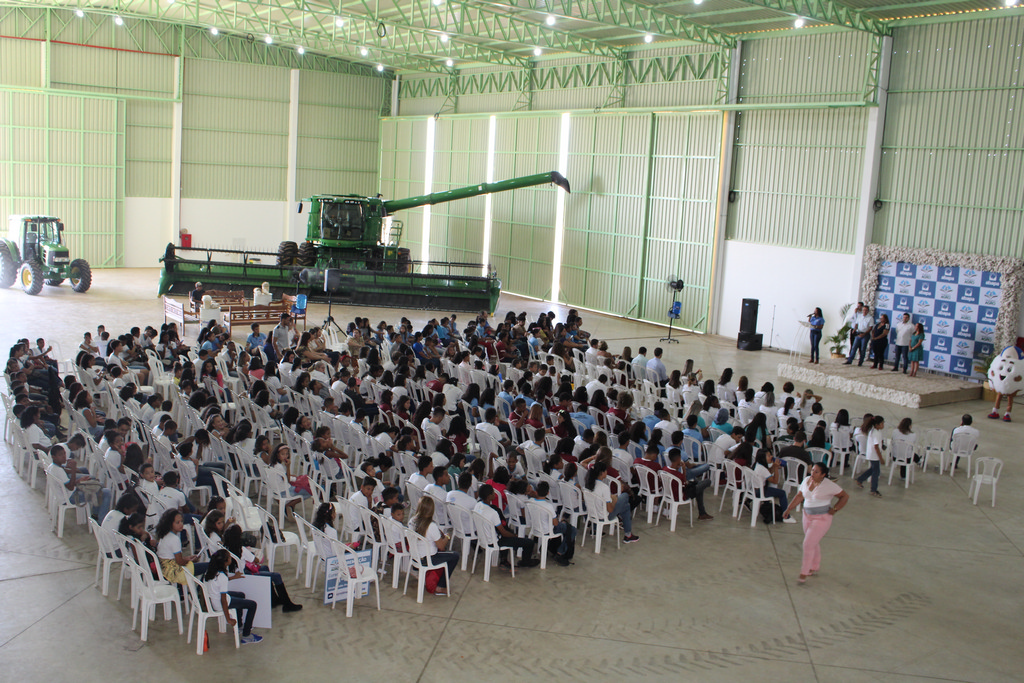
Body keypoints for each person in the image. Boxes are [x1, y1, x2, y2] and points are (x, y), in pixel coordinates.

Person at [782, 463, 848, 584]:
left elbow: (844, 496)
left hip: (822, 518)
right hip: (807, 516)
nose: (812, 473)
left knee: (808, 544)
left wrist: (835, 509)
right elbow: (800, 496)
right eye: (812, 470)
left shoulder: (829, 485)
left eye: (816, 472)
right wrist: (789, 509)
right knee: (813, 541)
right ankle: (814, 566)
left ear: (823, 474)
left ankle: (804, 573)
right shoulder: (806, 480)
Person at [204, 549, 263, 645]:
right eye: (229, 557)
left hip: (214, 599)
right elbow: (223, 600)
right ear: (225, 562)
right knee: (252, 605)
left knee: (241, 595)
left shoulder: (211, 571)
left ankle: (239, 625)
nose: (231, 558)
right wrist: (228, 619)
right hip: (220, 603)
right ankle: (247, 635)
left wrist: (234, 577)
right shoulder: (222, 577)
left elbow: (218, 584)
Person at [473, 484, 539, 568]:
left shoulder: (477, 505)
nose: (494, 494)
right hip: (495, 541)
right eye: (493, 493)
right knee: (529, 542)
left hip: (483, 537)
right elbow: (504, 533)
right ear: (489, 496)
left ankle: (504, 559)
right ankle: (525, 562)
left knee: (509, 532)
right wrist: (514, 536)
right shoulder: (493, 512)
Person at [408, 497, 459, 595]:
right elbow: (441, 547)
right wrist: (447, 537)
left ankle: (417, 571)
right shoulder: (431, 526)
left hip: (416, 556)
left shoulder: (412, 521)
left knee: (444, 552)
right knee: (455, 556)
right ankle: (440, 586)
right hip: (428, 559)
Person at [584, 462, 639, 543]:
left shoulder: (588, 484)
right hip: (604, 516)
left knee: (626, 506)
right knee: (625, 496)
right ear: (602, 473)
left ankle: (628, 534)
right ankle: (628, 535)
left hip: (592, 513)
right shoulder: (604, 487)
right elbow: (610, 510)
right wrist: (614, 500)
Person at [855, 415, 887, 497]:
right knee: (876, 472)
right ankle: (873, 490)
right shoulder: (875, 433)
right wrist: (881, 458)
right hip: (874, 455)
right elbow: (876, 447)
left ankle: (860, 479)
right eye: (882, 423)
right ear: (877, 424)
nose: (883, 425)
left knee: (873, 469)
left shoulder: (876, 431)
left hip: (873, 454)